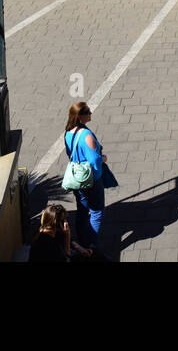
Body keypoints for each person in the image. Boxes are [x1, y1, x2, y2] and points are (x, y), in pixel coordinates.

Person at [63, 101, 117, 256]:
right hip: (91, 180)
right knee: (97, 211)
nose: (91, 114)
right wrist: (104, 158)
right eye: (88, 112)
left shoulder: (68, 132)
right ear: (81, 117)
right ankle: (92, 246)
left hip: (76, 179)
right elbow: (95, 161)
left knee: (82, 209)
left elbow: (70, 153)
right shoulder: (86, 135)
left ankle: (82, 240)